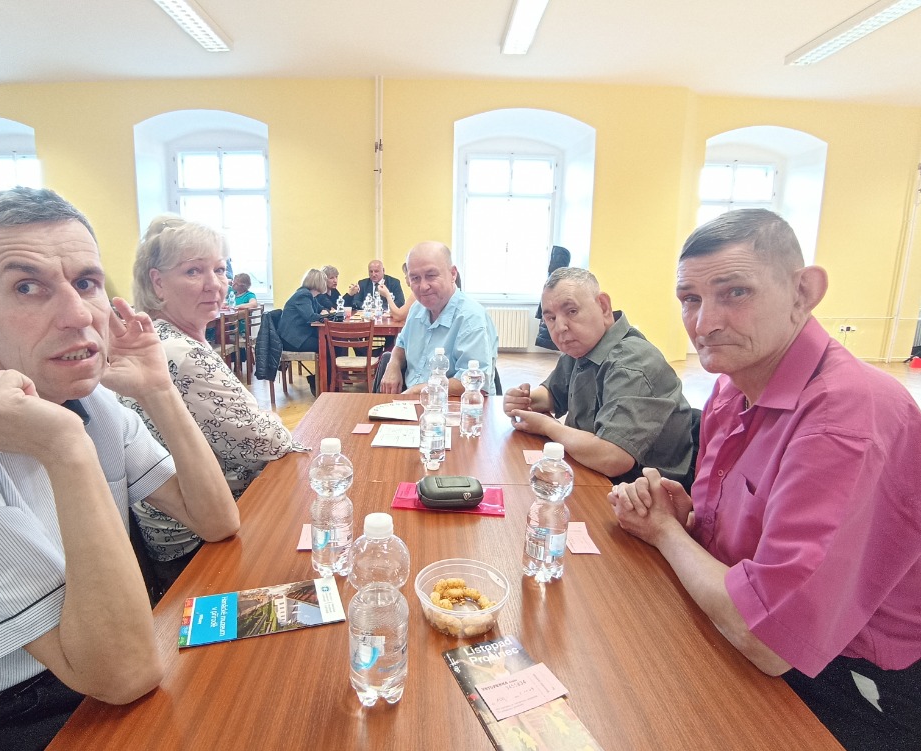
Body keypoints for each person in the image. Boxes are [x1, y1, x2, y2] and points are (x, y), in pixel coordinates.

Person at [0, 188, 239, 751]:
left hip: (110, 648)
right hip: (3, 709)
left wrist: (159, 391)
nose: (77, 316)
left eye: (86, 283)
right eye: (28, 287)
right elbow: (124, 675)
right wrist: (67, 447)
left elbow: (215, 519)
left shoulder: (80, 389)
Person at [608, 209, 921, 751]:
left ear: (804, 292)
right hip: (751, 635)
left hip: (850, 680)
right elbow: (738, 544)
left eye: (735, 292)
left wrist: (665, 532)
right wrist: (685, 517)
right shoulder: (732, 387)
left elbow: (769, 641)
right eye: (690, 299)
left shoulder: (844, 420)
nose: (704, 323)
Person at [124, 216, 295, 592]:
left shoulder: (162, 338)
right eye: (193, 271)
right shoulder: (180, 353)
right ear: (157, 282)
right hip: (198, 547)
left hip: (187, 530)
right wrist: (267, 418)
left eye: (219, 269)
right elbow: (270, 443)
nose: (214, 284)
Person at [504, 267, 693, 484]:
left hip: (640, 489)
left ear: (603, 306)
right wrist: (522, 399)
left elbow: (613, 458)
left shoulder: (632, 363)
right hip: (593, 471)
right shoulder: (583, 345)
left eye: (572, 311)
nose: (560, 327)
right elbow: (552, 395)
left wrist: (548, 426)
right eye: (551, 318)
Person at [379, 241, 497, 396]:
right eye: (415, 278)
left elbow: (475, 381)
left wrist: (418, 390)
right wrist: (393, 364)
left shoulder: (471, 319)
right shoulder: (416, 309)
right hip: (411, 400)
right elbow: (401, 344)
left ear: (453, 274)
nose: (423, 286)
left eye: (431, 276)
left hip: (455, 404)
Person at [279, 268, 330, 393]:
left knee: (331, 343)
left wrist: (325, 312)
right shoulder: (303, 295)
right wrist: (326, 316)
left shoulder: (310, 296)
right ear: (319, 282)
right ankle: (321, 382)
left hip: (300, 336)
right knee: (329, 346)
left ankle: (327, 380)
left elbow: (321, 309)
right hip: (293, 340)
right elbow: (310, 316)